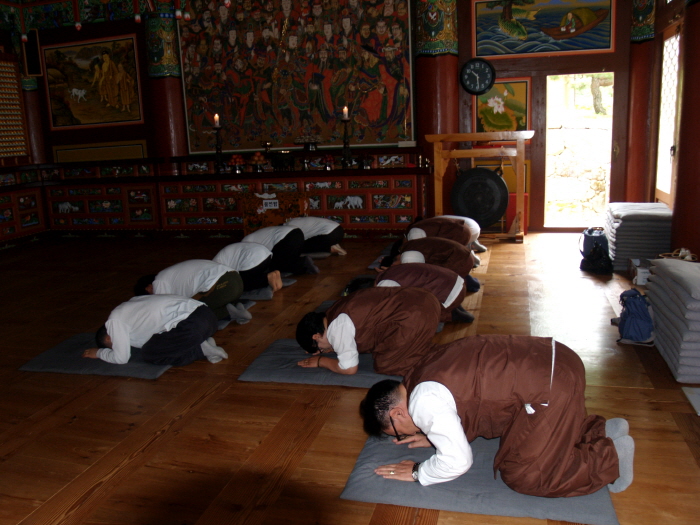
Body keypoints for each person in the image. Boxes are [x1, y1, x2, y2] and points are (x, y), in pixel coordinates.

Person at [359, 335, 634, 497]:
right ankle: (600, 431)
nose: (407, 434)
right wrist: (432, 436)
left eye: (399, 432)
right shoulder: (418, 373)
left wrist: (419, 472)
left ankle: (612, 458)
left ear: (397, 413)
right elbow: (470, 397)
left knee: (524, 474)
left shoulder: (423, 403)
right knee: (525, 436)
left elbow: (458, 461)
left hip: (551, 388)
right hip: (557, 357)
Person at [295, 287, 441, 376]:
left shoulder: (336, 329)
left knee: (387, 365)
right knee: (385, 349)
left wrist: (321, 361)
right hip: (424, 298)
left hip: (416, 315)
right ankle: (424, 348)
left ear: (316, 336)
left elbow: (349, 368)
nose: (326, 350)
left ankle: (443, 360)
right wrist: (331, 347)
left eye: (321, 348)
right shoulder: (333, 311)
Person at [83, 295, 228, 366]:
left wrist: (99, 353)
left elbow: (121, 358)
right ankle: (203, 342)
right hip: (209, 317)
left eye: (113, 347)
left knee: (150, 353)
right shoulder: (131, 306)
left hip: (192, 325)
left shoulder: (114, 321)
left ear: (109, 338)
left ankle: (200, 350)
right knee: (158, 346)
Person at [133, 259, 248, 322]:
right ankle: (234, 307)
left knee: (192, 314)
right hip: (236, 280)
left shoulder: (159, 281)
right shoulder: (169, 275)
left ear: (148, 287)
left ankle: (229, 312)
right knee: (194, 304)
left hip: (222, 284)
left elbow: (163, 308)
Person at [375, 262, 473, 323]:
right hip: (457, 281)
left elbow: (390, 309)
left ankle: (452, 314)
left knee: (418, 317)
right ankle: (453, 305)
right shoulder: (393, 271)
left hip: (450, 293)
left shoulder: (385, 284)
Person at [379, 237, 480, 292]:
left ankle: (468, 283)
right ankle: (465, 280)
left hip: (460, 260)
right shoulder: (409, 248)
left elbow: (418, 277)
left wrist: (390, 273)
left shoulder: (408, 257)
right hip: (464, 254)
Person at [242, 225, 320, 275]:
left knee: (276, 266)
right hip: (297, 232)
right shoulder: (249, 239)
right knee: (289, 261)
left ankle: (303, 262)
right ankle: (305, 267)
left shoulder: (246, 243)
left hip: (286, 236)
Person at [212, 242, 283, 292]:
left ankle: (267, 278)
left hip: (252, 257)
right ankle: (274, 276)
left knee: (240, 285)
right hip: (266, 255)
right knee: (251, 276)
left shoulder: (215, 267)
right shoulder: (217, 261)